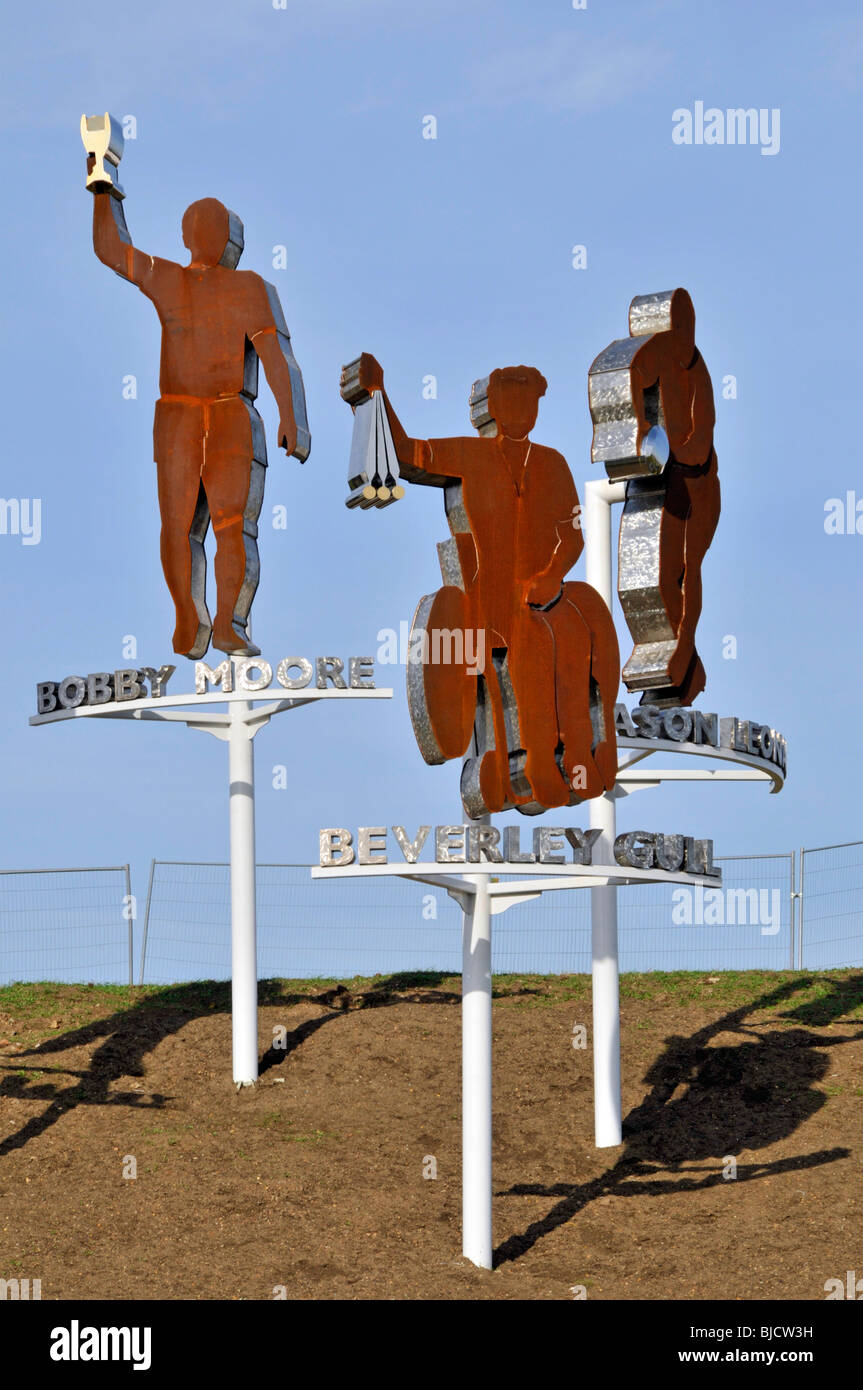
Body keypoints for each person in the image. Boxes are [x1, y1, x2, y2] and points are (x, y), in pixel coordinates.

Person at [349, 354, 619, 814]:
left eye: (528, 403)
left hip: (543, 597)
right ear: (493, 408)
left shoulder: (552, 464)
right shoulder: (470, 457)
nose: (520, 413)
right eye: (510, 402)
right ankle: (531, 765)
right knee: (519, 661)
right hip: (490, 605)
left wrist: (552, 576)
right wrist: (374, 395)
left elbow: (572, 536)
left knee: (578, 635)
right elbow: (408, 452)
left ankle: (584, 749)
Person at [88, 175, 310, 659]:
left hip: (214, 414)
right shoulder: (215, 283)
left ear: (189, 238)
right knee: (211, 526)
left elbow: (114, 248)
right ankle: (202, 619)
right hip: (193, 415)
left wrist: (105, 184)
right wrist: (103, 181)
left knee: (200, 526)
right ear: (231, 242)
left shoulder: (203, 283)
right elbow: (279, 358)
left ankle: (217, 621)